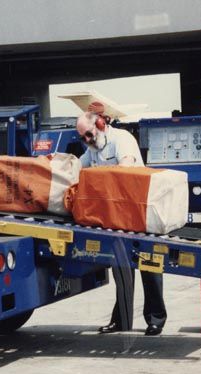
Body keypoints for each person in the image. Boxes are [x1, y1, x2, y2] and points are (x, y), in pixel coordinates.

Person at [75, 105, 167, 336]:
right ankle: (122, 320)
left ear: (101, 125)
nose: (87, 140)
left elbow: (125, 168)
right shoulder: (92, 149)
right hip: (116, 217)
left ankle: (156, 319)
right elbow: (78, 166)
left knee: (150, 268)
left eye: (89, 134)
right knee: (122, 271)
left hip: (139, 213)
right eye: (83, 138)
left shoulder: (121, 140)